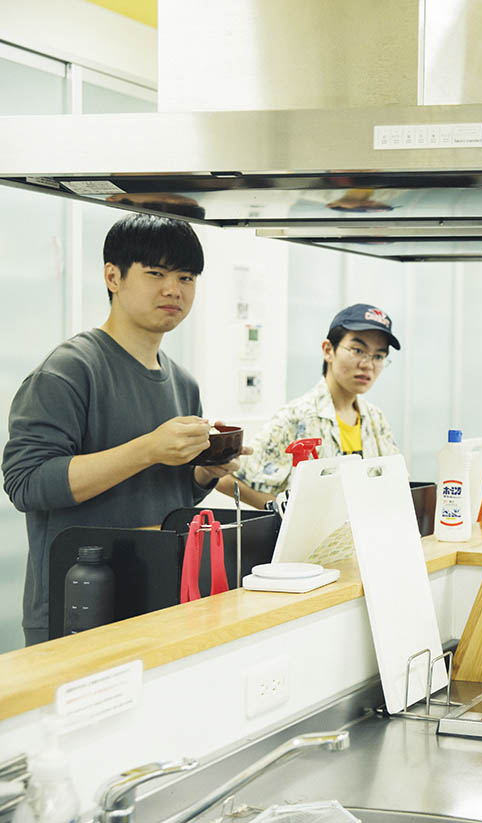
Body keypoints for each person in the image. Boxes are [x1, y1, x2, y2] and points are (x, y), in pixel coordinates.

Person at [3, 214, 241, 646]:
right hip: (80, 607)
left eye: (186, 277)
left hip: (160, 600)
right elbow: (26, 484)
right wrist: (147, 449)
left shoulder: (183, 382)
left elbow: (165, 495)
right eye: (156, 273)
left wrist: (205, 475)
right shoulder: (70, 370)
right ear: (113, 276)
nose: (174, 289)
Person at [219, 304, 401, 508]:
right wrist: (285, 512)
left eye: (378, 356)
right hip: (310, 540)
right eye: (358, 350)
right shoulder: (296, 417)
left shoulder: (376, 419)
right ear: (328, 350)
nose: (368, 365)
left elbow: (394, 484)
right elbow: (225, 479)